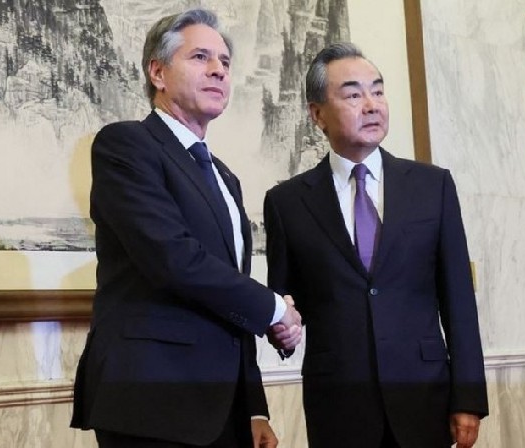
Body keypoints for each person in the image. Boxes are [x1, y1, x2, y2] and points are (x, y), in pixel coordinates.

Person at [71, 9, 302, 448]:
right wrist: (274, 309)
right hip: (151, 402)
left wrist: (253, 407)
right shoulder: (126, 145)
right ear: (157, 72)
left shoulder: (225, 177)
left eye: (225, 62)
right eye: (200, 57)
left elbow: (228, 292)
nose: (218, 70)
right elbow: (173, 259)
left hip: (224, 411)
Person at [264, 43, 488, 448]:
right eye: (353, 95)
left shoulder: (432, 186)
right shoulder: (287, 203)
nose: (372, 105)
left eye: (378, 91)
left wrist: (468, 397)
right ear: (318, 114)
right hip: (338, 405)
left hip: (424, 397)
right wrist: (282, 331)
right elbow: (285, 303)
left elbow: (458, 298)